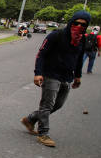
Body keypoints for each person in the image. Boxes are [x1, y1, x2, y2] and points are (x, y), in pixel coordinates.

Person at [20, 10, 90, 147]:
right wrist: (38, 73)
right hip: (50, 73)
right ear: (71, 22)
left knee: (58, 104)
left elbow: (79, 59)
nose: (79, 26)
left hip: (67, 76)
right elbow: (41, 54)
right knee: (47, 105)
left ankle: (30, 119)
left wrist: (78, 76)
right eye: (76, 23)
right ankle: (43, 134)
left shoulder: (82, 39)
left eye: (83, 24)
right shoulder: (57, 35)